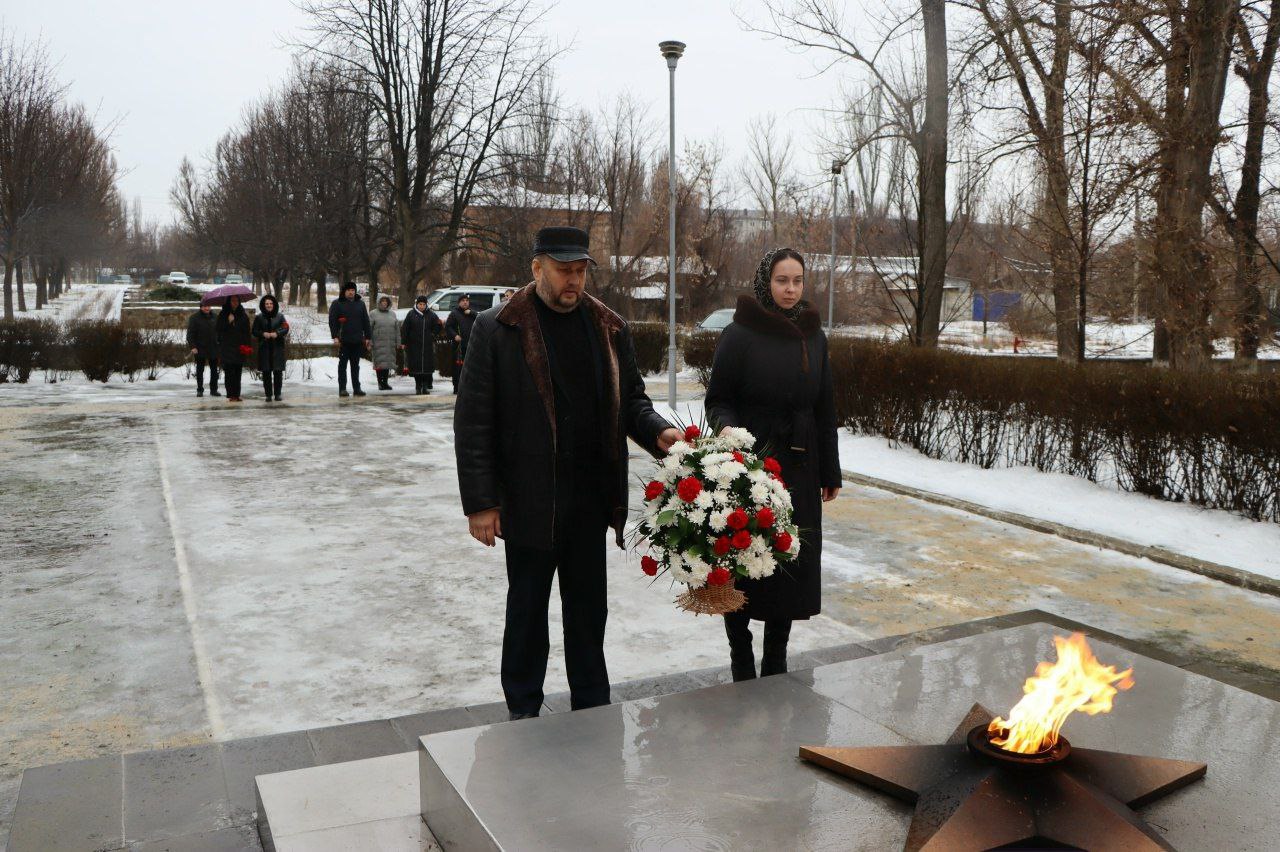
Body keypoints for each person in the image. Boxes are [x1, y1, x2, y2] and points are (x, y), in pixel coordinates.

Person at [454, 226, 681, 721]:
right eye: (563, 270)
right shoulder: (498, 329)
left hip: (588, 503)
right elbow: (473, 421)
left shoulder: (607, 327)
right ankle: (522, 707)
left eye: (580, 271)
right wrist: (481, 502)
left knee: (587, 618)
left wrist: (657, 432)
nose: (573, 281)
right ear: (537, 269)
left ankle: (593, 707)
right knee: (527, 614)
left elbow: (633, 403)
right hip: (530, 503)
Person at [704, 247, 841, 682]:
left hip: (799, 468)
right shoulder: (740, 333)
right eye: (783, 280)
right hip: (750, 465)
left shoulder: (813, 336)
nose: (790, 289)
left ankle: (776, 661)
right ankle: (741, 657)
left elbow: (824, 407)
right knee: (744, 562)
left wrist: (829, 471)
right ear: (767, 281)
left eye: (797, 280)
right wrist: (727, 432)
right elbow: (719, 398)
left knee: (788, 564)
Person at [328, 281, 371, 397]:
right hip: (343, 340)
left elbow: (366, 321)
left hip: (357, 339)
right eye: (349, 290)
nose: (351, 292)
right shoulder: (337, 303)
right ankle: (342, 388)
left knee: (355, 366)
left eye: (353, 290)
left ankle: (357, 388)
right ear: (344, 291)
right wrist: (335, 336)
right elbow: (332, 321)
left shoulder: (360, 304)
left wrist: (367, 337)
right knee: (342, 365)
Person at [400, 293, 443, 394]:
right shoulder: (411, 314)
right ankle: (418, 386)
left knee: (427, 367)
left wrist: (433, 334)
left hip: (427, 345)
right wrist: (404, 342)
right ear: (417, 304)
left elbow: (438, 325)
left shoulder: (431, 314)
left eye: (424, 304)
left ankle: (425, 386)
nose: (422, 306)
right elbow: (405, 329)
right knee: (416, 367)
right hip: (414, 345)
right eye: (420, 304)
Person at [252, 294, 289, 401]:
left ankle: (278, 394)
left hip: (277, 347)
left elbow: (285, 328)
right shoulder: (259, 317)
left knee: (277, 372)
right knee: (266, 372)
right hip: (265, 348)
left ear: (274, 304)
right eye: (266, 304)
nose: (269, 305)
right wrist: (263, 334)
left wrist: (277, 333)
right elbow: (254, 331)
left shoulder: (280, 316)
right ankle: (268, 394)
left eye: (270, 303)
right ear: (263, 305)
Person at [216, 295, 252, 403]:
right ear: (229, 302)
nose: (235, 303)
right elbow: (219, 329)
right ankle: (230, 394)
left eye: (237, 300)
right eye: (232, 301)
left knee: (238, 372)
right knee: (229, 372)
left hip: (239, 347)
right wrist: (228, 321)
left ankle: (237, 394)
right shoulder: (223, 314)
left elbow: (247, 332)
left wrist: (247, 345)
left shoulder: (243, 315)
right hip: (227, 347)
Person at [444, 294, 477, 393]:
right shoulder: (454, 313)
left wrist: (471, 313)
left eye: (467, 300)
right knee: (458, 368)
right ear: (459, 303)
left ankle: (469, 387)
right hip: (458, 346)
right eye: (463, 300)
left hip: (471, 345)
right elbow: (448, 327)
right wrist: (455, 336)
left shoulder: (472, 313)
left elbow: (480, 319)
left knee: (470, 368)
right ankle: (457, 387)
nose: (465, 302)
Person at [186, 302, 219, 397]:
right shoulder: (194, 318)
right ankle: (200, 389)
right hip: (200, 348)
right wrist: (193, 346)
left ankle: (214, 390)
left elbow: (220, 331)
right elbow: (190, 334)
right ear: (201, 307)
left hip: (213, 347)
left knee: (214, 370)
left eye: (208, 306)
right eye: (204, 306)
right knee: (200, 370)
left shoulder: (215, 317)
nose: (207, 308)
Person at [370, 295, 400, 391]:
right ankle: (380, 383)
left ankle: (385, 383)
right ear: (379, 302)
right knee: (380, 363)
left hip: (390, 342)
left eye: (386, 301)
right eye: (382, 301)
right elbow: (369, 329)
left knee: (387, 363)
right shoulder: (373, 314)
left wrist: (398, 342)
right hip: (378, 342)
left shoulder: (392, 314)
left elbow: (397, 329)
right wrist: (368, 341)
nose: (384, 303)